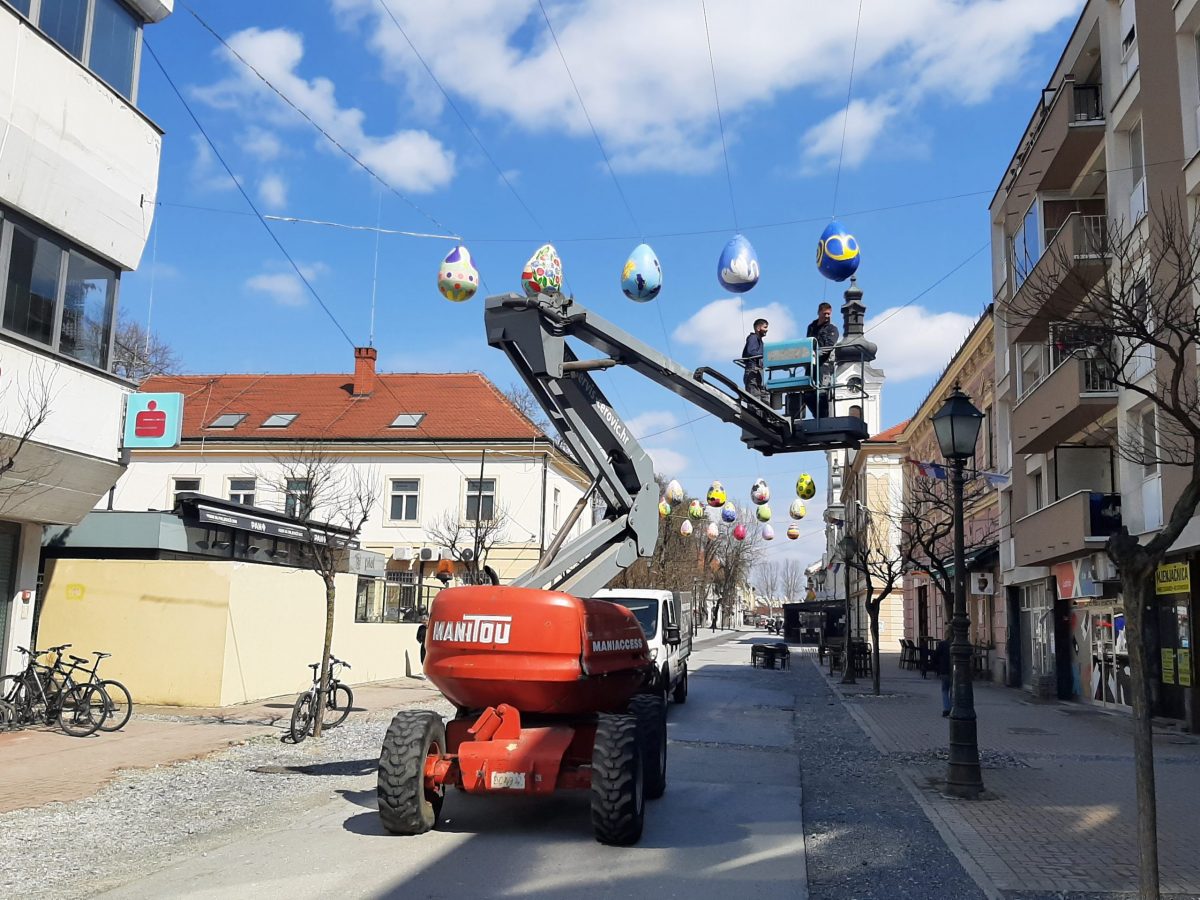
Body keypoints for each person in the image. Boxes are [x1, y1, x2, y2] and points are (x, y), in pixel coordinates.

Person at [805, 302, 839, 419]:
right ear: (819, 312)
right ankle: (816, 416)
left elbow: (829, 346)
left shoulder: (832, 329)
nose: (827, 316)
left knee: (822, 393)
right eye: (825, 313)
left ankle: (823, 419)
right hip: (811, 366)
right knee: (808, 393)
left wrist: (815, 354)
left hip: (824, 365)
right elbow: (807, 343)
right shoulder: (811, 327)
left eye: (829, 314)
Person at [741, 318, 769, 402]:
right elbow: (750, 352)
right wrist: (765, 355)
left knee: (764, 396)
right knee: (754, 397)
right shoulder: (753, 338)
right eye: (765, 327)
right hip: (753, 371)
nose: (767, 330)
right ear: (758, 328)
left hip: (759, 371)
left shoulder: (761, 342)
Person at [935, 636, 952, 717]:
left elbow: (935, 656)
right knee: (953, 691)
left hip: (944, 671)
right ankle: (952, 708)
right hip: (955, 672)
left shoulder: (942, 644)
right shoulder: (956, 644)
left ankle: (946, 709)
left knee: (945, 690)